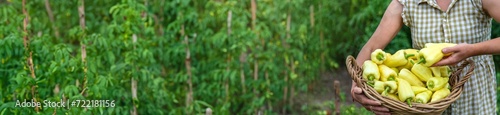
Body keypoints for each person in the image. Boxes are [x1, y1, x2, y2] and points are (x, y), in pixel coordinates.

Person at [351, 0, 500, 114]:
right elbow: (371, 47)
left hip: (474, 94)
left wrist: (472, 50)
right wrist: (355, 85)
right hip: (424, 100)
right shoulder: (408, 2)